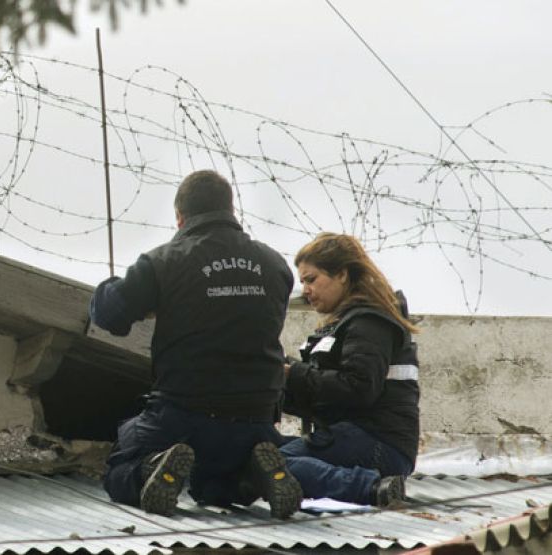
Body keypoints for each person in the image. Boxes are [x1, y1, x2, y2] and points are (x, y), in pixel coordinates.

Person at [91, 170, 303, 518]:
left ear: (180, 217)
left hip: (183, 411)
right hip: (256, 415)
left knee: (118, 469)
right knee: (213, 488)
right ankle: (252, 475)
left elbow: (111, 315)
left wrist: (114, 288)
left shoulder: (163, 262)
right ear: (231, 210)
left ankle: (150, 469)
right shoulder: (274, 264)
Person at [281, 233, 420, 507]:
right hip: (352, 436)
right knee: (256, 456)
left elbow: (358, 387)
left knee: (275, 464)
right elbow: (322, 395)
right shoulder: (343, 325)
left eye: (312, 279)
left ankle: (372, 488)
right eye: (302, 282)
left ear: (342, 274)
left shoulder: (370, 321)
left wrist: (293, 374)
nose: (306, 290)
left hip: (379, 444)